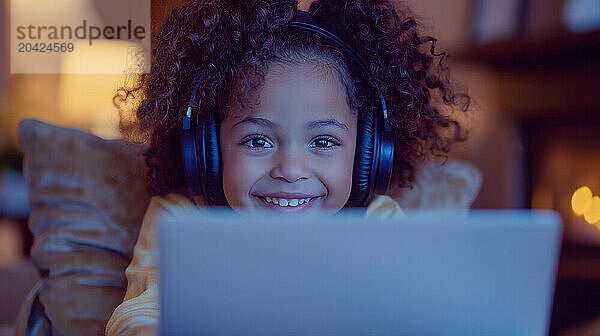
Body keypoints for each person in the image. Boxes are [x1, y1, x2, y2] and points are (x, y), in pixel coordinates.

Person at [106, 0, 470, 334]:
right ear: (207, 150)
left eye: (323, 142)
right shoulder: (181, 218)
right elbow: (139, 315)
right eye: (257, 141)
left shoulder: (377, 226)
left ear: (369, 154)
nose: (291, 169)